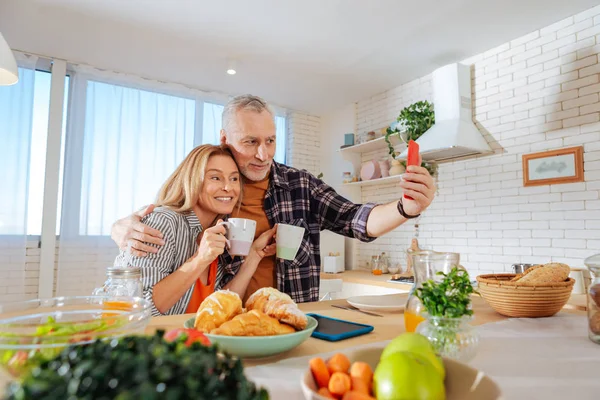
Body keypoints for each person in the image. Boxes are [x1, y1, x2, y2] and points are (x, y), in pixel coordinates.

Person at [111, 95, 436, 303]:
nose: (263, 154)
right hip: (229, 323)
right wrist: (121, 227)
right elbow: (171, 221)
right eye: (250, 142)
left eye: (270, 140)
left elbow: (355, 219)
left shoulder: (300, 185)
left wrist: (405, 207)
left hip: (294, 318)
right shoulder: (212, 193)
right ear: (225, 138)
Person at [114, 144, 276, 316]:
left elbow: (220, 308)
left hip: (191, 340)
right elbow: (140, 309)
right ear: (192, 180)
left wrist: (254, 255)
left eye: (234, 179)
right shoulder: (163, 222)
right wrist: (200, 259)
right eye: (215, 178)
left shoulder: (219, 230)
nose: (228, 187)